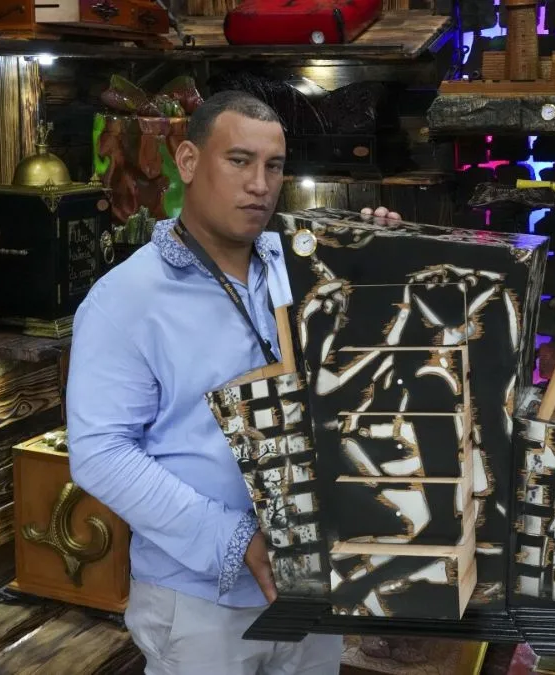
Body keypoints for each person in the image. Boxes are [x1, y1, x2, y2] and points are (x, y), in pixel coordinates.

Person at [65, 89, 398, 674]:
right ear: (188, 161)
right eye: (239, 161)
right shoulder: (125, 299)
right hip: (199, 604)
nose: (259, 185)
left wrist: (380, 265)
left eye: (274, 166)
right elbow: (100, 454)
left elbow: (362, 373)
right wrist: (236, 540)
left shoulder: (305, 267)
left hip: (311, 582)